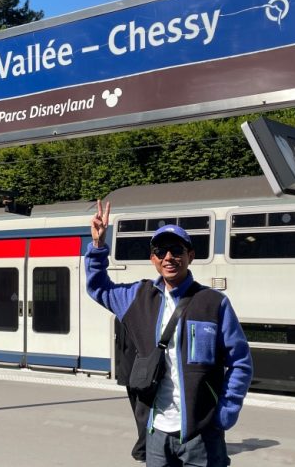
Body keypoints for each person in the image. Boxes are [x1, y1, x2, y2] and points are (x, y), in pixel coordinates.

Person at [85, 200, 253, 467]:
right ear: (153, 258)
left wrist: (226, 412)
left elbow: (240, 362)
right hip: (156, 433)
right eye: (160, 251)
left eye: (176, 250)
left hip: (202, 433)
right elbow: (98, 287)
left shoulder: (214, 303)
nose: (168, 257)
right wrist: (97, 246)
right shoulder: (136, 297)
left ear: (190, 255)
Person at [115, 317, 148, 463]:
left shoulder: (122, 313)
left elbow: (120, 344)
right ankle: (142, 449)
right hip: (140, 370)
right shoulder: (144, 312)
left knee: (140, 412)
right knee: (143, 412)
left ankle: (142, 448)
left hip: (130, 369)